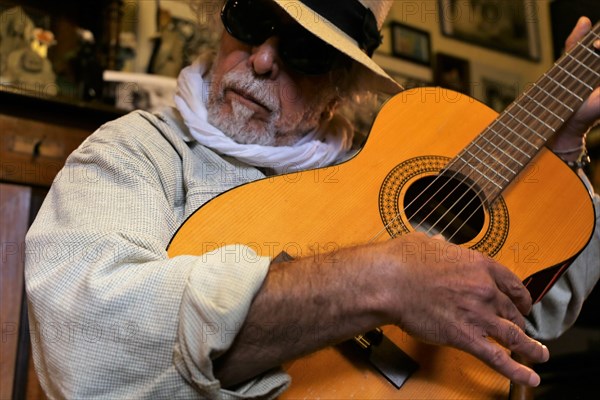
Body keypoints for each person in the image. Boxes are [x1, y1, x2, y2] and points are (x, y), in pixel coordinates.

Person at [25, 0, 599, 398]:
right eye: (249, 20)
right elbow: (86, 345)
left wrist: (563, 147)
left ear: (342, 85)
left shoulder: (386, 164)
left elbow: (532, 313)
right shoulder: (137, 150)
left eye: (305, 51)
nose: (264, 60)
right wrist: (380, 280)